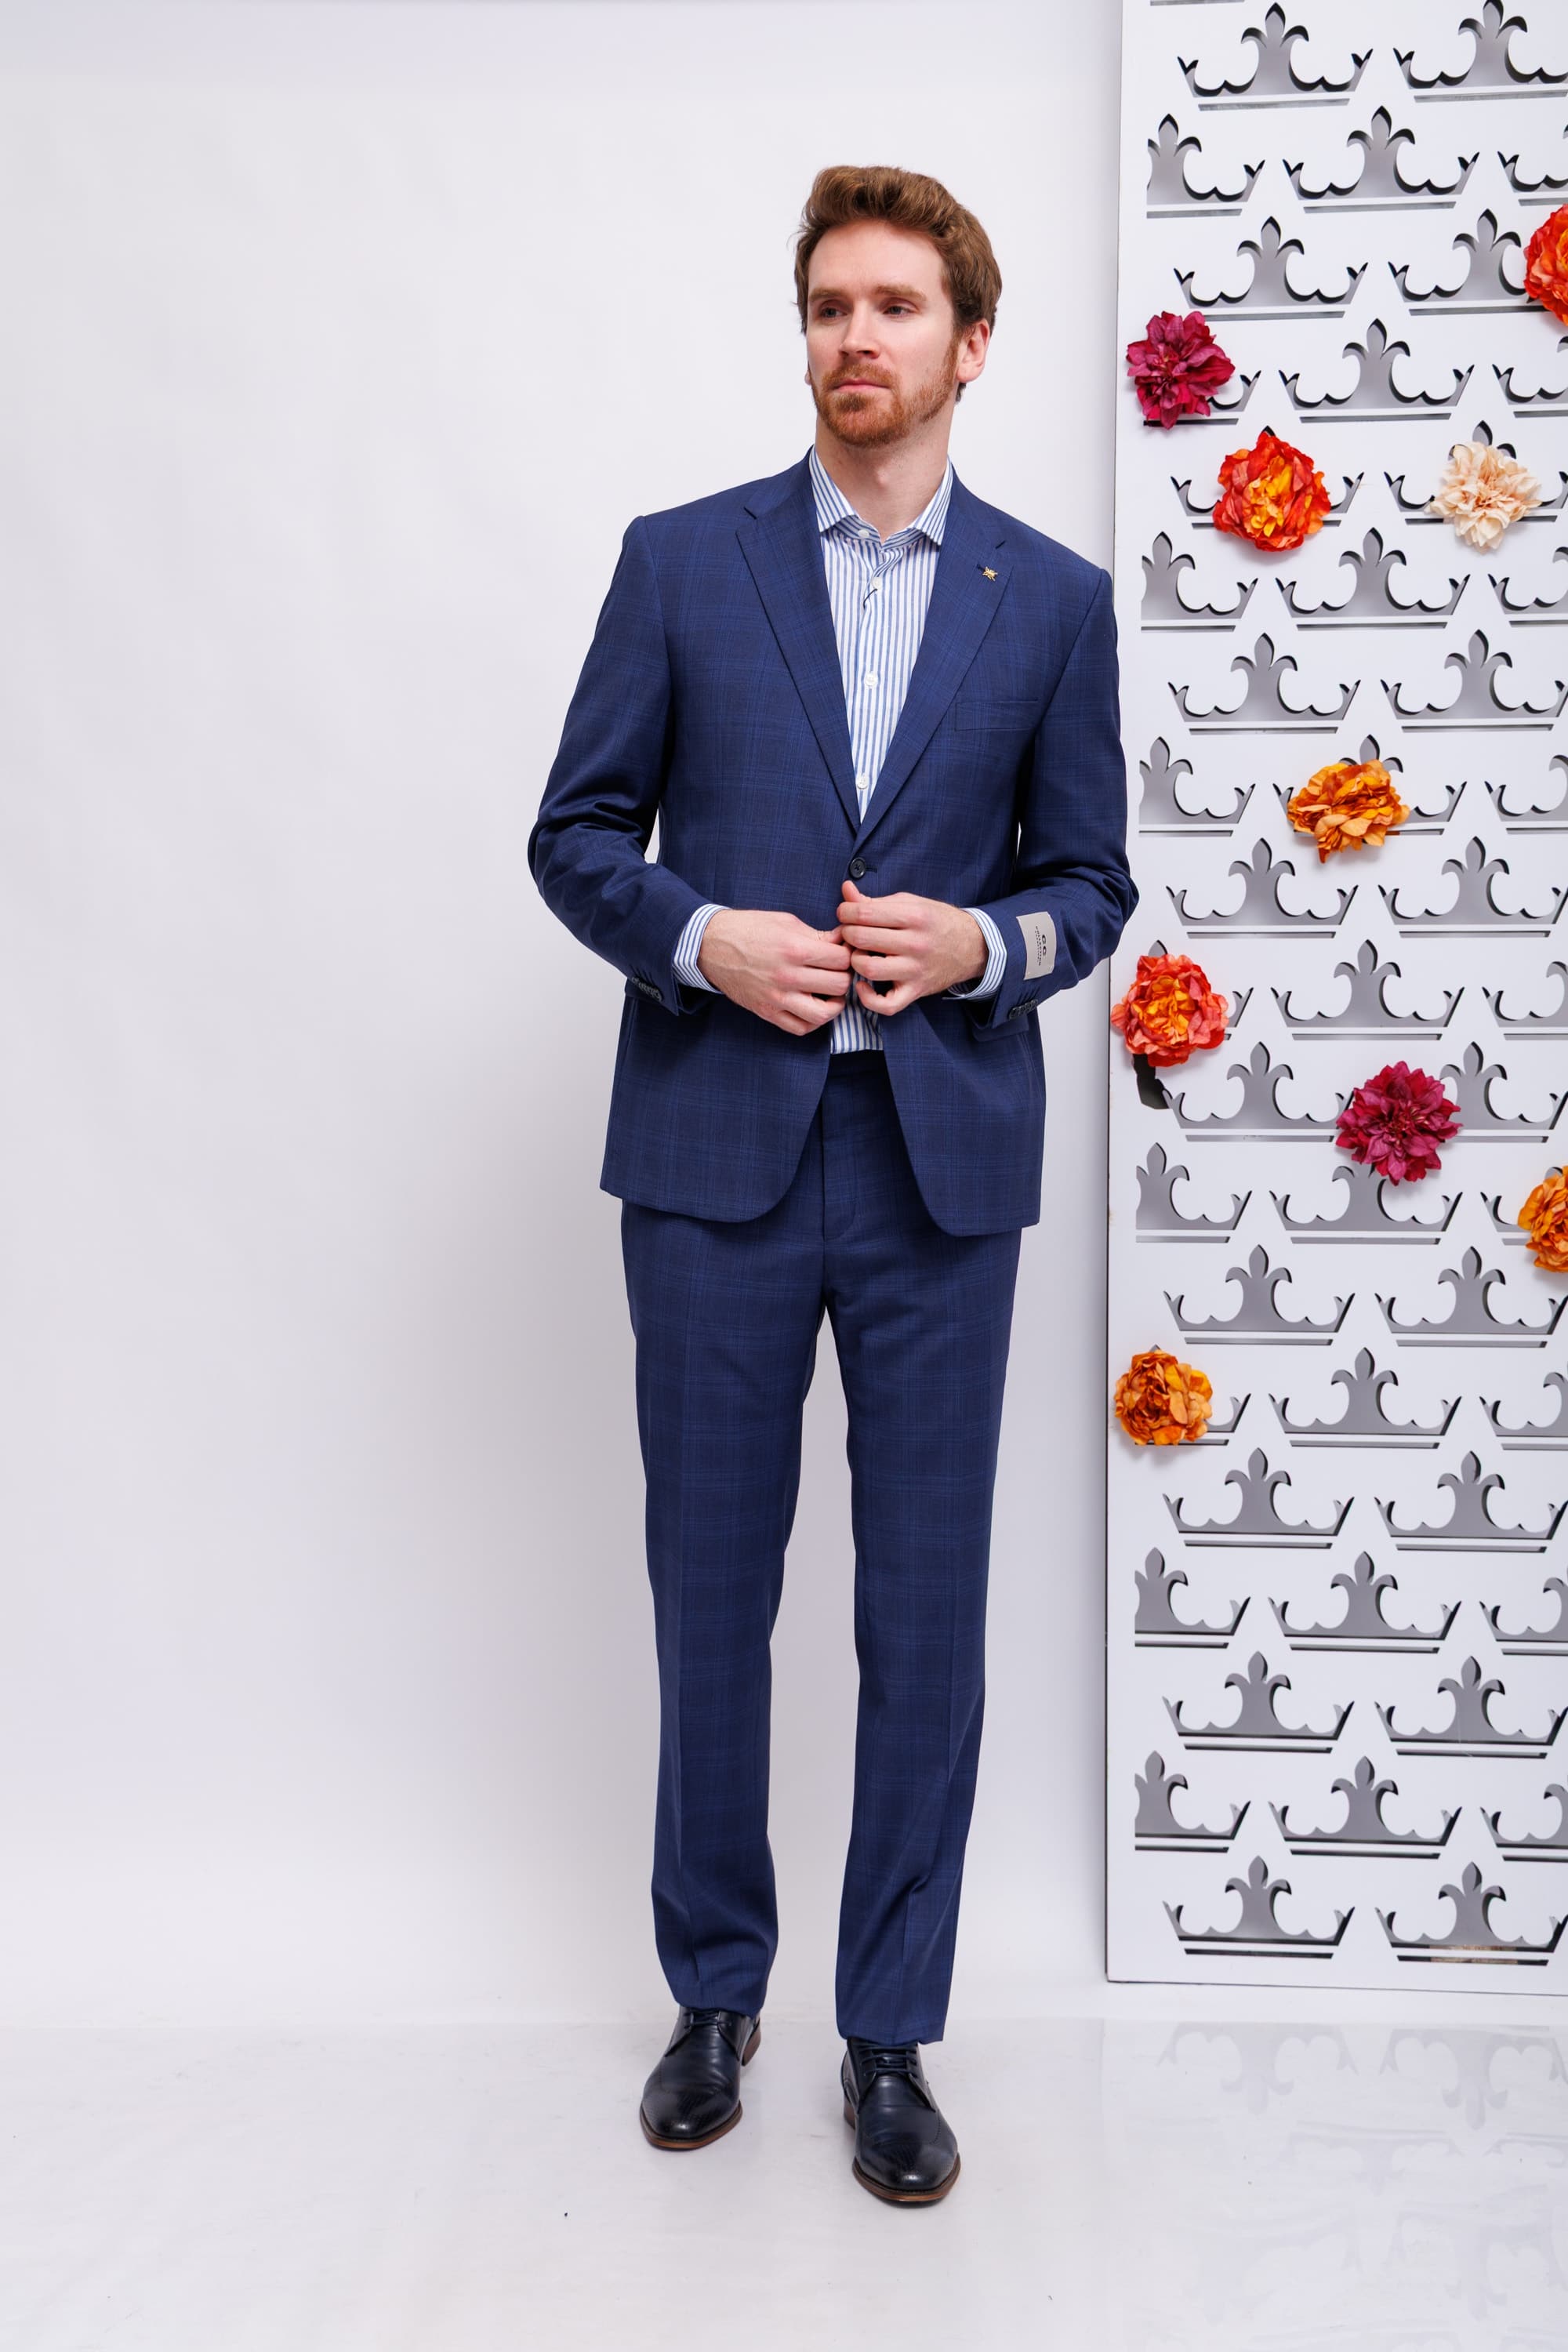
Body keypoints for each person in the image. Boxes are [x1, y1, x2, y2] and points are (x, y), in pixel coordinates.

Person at [528, 163, 1134, 2205]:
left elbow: (1092, 884)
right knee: (711, 1595)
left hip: (936, 1171)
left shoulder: (1052, 600)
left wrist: (987, 945)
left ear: (971, 344)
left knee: (924, 1617)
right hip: (714, 1156)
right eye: (827, 306)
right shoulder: (681, 563)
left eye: (892, 307)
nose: (853, 338)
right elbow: (576, 833)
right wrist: (705, 940)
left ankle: (892, 2036)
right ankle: (716, 1995)